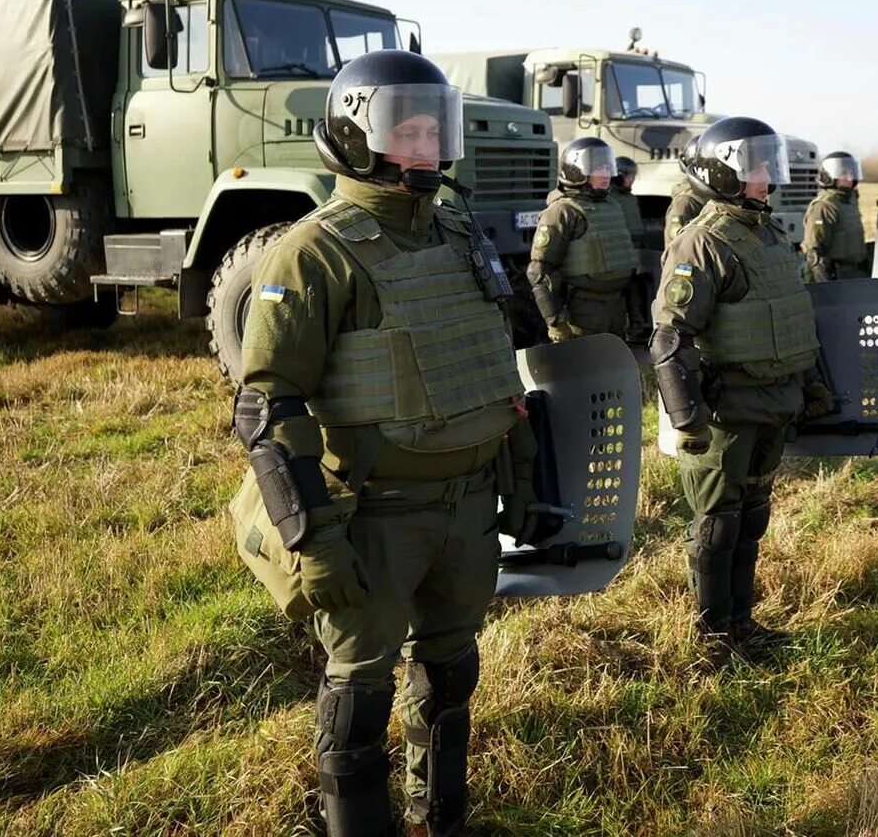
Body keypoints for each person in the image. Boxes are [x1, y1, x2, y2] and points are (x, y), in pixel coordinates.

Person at [232, 50, 529, 837]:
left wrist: (522, 475)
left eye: (435, 129)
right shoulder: (313, 251)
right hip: (376, 518)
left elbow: (500, 361)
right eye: (407, 132)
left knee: (452, 672)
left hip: (466, 506)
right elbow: (266, 406)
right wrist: (312, 539)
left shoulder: (463, 232)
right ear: (355, 136)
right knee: (360, 694)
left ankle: (444, 821)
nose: (426, 148)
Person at [651, 117, 834, 657]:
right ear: (720, 171)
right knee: (718, 523)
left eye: (766, 163)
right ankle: (712, 635)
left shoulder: (774, 235)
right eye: (754, 166)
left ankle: (741, 623)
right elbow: (669, 339)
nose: (766, 176)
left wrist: (813, 384)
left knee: (752, 515)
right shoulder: (702, 243)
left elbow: (800, 320)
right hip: (726, 410)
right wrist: (688, 421)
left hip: (774, 401)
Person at [528, 137, 635, 342]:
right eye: (597, 169)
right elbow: (538, 272)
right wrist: (556, 323)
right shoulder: (563, 211)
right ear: (576, 171)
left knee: (615, 370)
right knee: (588, 369)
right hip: (583, 312)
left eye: (607, 167)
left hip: (616, 309)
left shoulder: (612, 204)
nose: (605, 175)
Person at [801, 151, 869, 281]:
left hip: (856, 274)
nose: (849, 178)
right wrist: (827, 287)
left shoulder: (849, 201)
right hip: (836, 277)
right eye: (844, 173)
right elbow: (814, 251)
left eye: (851, 173)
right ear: (828, 176)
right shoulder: (824, 206)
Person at [613, 156, 653, 342]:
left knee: (636, 291)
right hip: (620, 256)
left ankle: (638, 325)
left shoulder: (629, 197)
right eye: (629, 176)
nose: (632, 180)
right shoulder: (610, 199)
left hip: (635, 252)